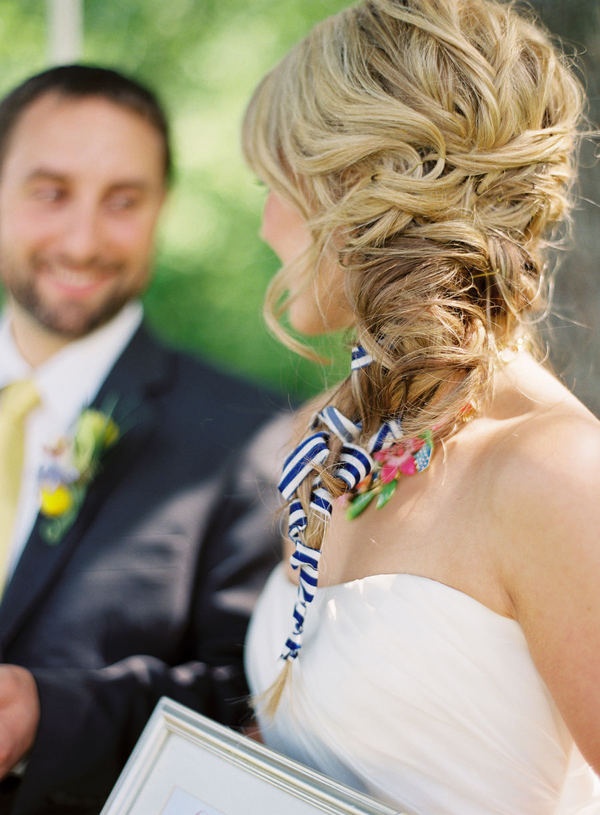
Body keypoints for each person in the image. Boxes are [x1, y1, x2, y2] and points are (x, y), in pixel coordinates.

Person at [241, 1, 600, 813]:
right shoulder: (330, 439)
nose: (265, 223)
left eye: (274, 184)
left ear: (357, 189)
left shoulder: (555, 472)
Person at [0, 64, 288, 815]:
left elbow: (251, 702)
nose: (83, 239)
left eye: (123, 201)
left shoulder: (246, 436)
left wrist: (47, 717)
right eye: (50, 192)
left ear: (162, 207)